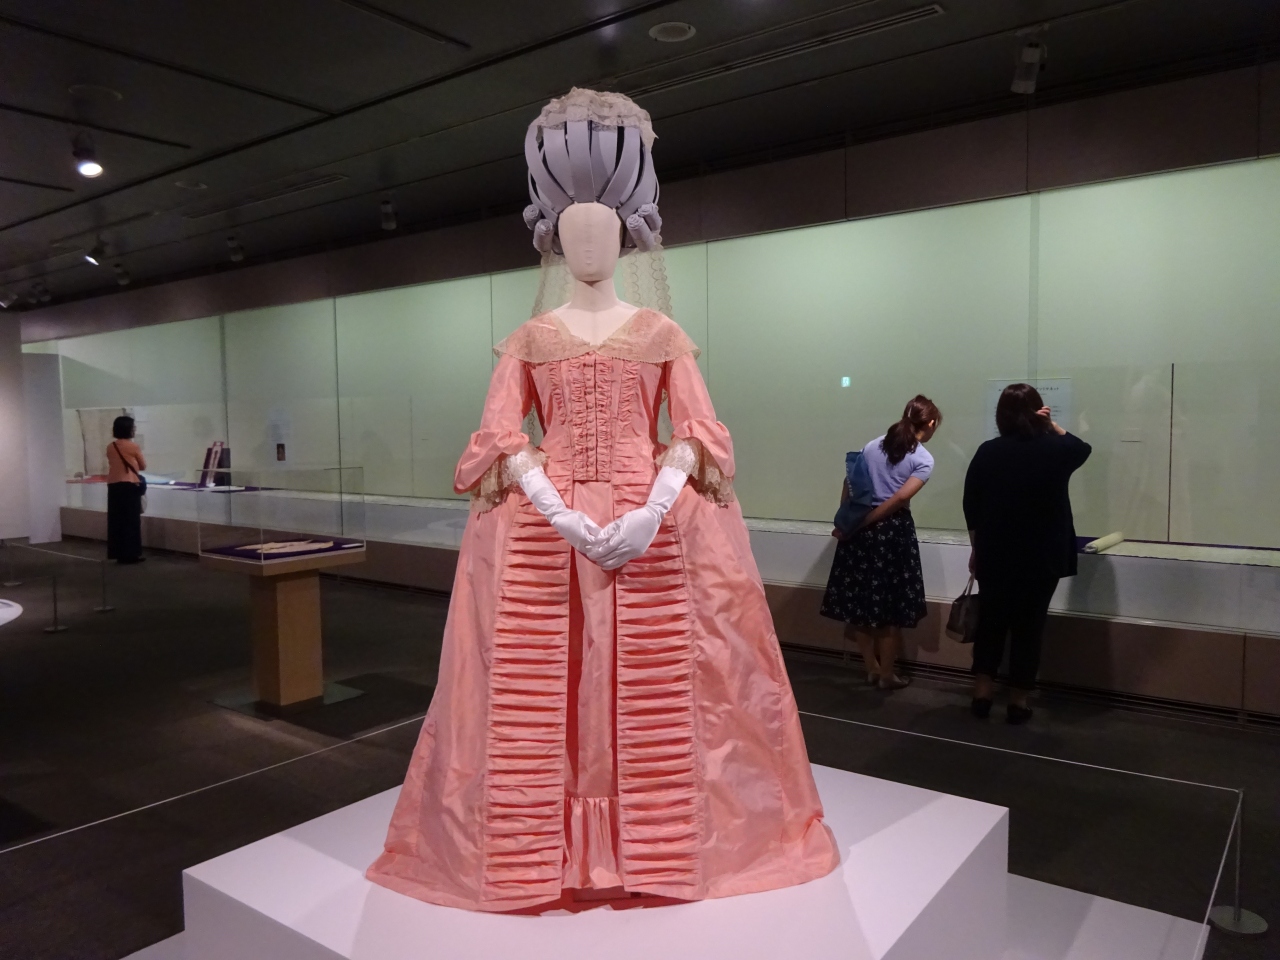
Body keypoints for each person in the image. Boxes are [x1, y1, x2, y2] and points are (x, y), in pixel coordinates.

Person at [367, 89, 838, 914]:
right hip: (545, 530)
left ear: (627, 234)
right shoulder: (528, 339)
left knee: (661, 680)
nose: (589, 240)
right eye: (574, 227)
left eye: (604, 227)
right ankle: (540, 852)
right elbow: (498, 435)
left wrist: (654, 508)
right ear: (553, 234)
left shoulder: (660, 333)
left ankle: (650, 844)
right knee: (539, 682)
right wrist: (556, 509)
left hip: (647, 522)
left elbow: (697, 429)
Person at [963, 384, 1091, 724]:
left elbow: (971, 505)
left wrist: (977, 548)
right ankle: (1018, 701)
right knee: (1029, 627)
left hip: (997, 553)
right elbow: (1082, 449)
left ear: (1000, 416)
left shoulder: (988, 452)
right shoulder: (1055, 450)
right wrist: (1051, 426)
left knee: (991, 622)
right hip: (1042, 556)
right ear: (1039, 412)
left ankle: (982, 693)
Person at [820, 396, 941, 690]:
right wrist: (867, 521)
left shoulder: (873, 445)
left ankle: (872, 668)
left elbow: (849, 482)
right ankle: (887, 674)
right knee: (891, 608)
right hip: (892, 533)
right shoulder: (923, 459)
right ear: (931, 423)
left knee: (860, 604)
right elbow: (900, 499)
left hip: (859, 530)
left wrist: (848, 521)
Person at [105, 415, 146, 564]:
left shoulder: (110, 447)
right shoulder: (133, 446)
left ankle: (118, 553)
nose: (134, 429)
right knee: (131, 521)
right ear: (128, 429)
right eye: (133, 427)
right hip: (129, 486)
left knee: (116, 521)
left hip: (114, 486)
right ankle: (131, 554)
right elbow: (143, 466)